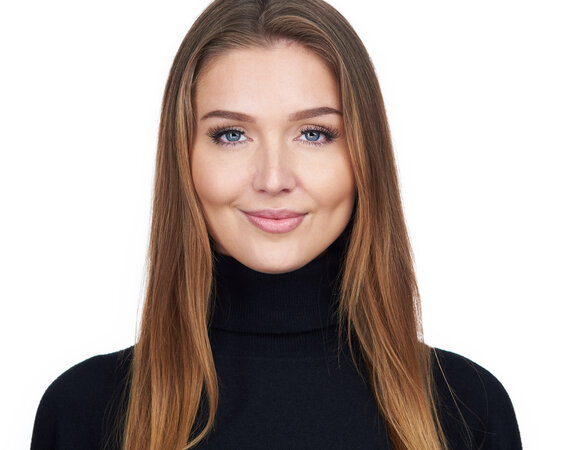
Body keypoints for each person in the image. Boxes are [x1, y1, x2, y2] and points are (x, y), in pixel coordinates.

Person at [30, 0, 522, 449]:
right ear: (184, 157)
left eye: (314, 133)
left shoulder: (466, 409)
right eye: (231, 134)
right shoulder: (84, 413)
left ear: (363, 155)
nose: (273, 179)